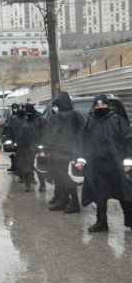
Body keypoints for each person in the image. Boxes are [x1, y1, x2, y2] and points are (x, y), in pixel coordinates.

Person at [75, 95, 132, 232]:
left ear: (108, 106)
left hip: (116, 164)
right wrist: (81, 158)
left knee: (124, 192)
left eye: (103, 105)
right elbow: (81, 141)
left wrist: (128, 161)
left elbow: (128, 141)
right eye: (98, 106)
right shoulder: (90, 122)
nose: (100, 108)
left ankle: (129, 218)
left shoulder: (118, 121)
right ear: (94, 107)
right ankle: (102, 221)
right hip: (96, 165)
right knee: (99, 193)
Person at [41, 92, 85, 213]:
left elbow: (50, 134)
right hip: (72, 152)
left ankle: (69, 203)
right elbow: (83, 131)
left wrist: (45, 148)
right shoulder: (76, 115)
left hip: (59, 152)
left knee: (61, 178)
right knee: (70, 178)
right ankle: (68, 201)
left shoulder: (58, 117)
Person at [16, 104, 46, 192]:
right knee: (27, 167)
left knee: (39, 167)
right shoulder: (26, 121)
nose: (27, 114)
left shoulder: (40, 120)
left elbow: (45, 132)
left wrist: (43, 146)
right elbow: (21, 134)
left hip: (37, 147)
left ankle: (43, 185)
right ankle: (28, 185)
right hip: (26, 148)